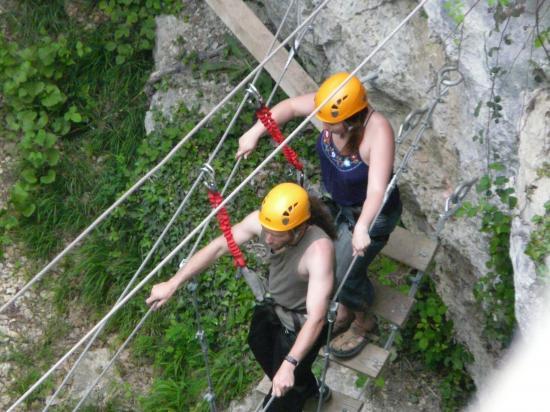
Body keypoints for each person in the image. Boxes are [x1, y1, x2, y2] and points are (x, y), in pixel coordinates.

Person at [236, 72, 402, 358]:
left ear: (351, 119)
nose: (322, 124)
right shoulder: (332, 103)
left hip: (368, 214)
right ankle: (335, 306)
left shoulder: (378, 132)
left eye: (330, 122)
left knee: (342, 273)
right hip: (335, 200)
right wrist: (255, 132)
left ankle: (362, 320)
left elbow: (376, 189)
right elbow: (289, 107)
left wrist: (362, 228)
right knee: (317, 256)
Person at [146, 183, 336, 411]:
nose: (267, 240)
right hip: (274, 307)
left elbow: (316, 318)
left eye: (276, 236)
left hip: (300, 325)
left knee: (280, 401)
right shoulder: (264, 223)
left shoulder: (318, 252)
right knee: (257, 342)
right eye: (268, 231)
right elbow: (219, 247)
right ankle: (308, 386)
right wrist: (173, 282)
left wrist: (290, 364)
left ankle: (296, 391)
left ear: (300, 229)